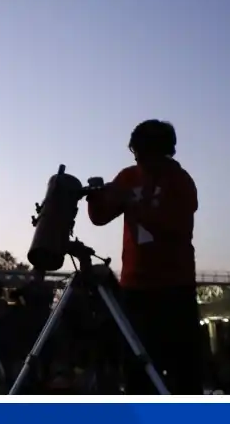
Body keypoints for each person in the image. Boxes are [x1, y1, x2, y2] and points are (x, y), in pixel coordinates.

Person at [86, 119, 202, 395]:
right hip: (134, 288)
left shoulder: (181, 182)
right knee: (137, 367)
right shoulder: (128, 177)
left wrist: (132, 204)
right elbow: (101, 217)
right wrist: (95, 198)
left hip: (175, 286)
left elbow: (177, 226)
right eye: (134, 153)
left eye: (142, 153)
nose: (137, 159)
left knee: (184, 370)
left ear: (163, 152)